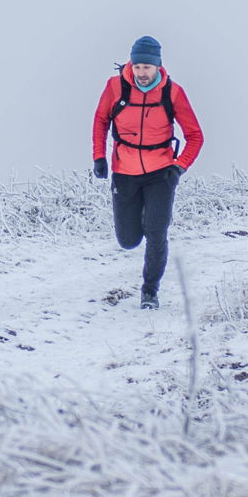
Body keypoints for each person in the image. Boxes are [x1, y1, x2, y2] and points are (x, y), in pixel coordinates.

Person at [91, 35, 204, 309]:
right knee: (128, 241)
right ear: (131, 64)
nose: (142, 73)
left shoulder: (172, 92)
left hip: (160, 174)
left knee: (156, 233)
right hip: (125, 171)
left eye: (148, 67)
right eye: (138, 66)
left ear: (158, 66)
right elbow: (101, 120)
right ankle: (140, 214)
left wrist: (179, 168)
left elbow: (195, 135)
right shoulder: (115, 87)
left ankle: (150, 290)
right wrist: (99, 156)